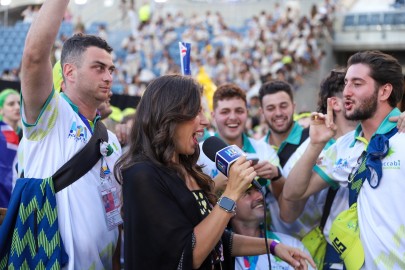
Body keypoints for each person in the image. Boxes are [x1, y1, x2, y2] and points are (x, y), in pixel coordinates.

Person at [115, 74, 315, 270]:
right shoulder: (142, 175)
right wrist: (231, 193)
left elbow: (217, 240)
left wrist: (271, 246)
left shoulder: (186, 168)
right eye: (196, 112)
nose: (204, 121)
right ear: (169, 116)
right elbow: (188, 254)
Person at [19, 0, 122, 268]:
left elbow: (114, 217)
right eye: (99, 68)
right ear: (69, 72)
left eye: (111, 69)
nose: (109, 76)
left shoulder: (111, 141)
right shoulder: (51, 115)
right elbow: (33, 57)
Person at [283, 50, 405, 269]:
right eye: (346, 83)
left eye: (357, 84)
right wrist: (315, 144)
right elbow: (293, 192)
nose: (347, 91)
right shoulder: (345, 145)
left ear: (385, 91)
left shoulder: (402, 137)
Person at [280, 70, 358, 269]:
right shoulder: (309, 149)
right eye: (351, 90)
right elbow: (288, 212)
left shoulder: (378, 139)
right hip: (336, 253)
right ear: (336, 103)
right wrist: (314, 152)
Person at [198, 83, 282, 195]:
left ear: (247, 113)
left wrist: (276, 175)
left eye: (239, 111)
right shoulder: (197, 155)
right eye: (225, 112)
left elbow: (283, 200)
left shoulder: (265, 150)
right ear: (213, 116)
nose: (233, 117)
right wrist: (216, 184)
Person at [230, 185, 314, 270]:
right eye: (247, 193)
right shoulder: (220, 252)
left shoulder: (291, 245)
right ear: (230, 204)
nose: (260, 196)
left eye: (259, 190)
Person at [0, 89, 21, 208]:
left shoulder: (27, 136)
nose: (17, 107)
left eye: (19, 103)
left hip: (19, 199)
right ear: (1, 109)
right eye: (11, 104)